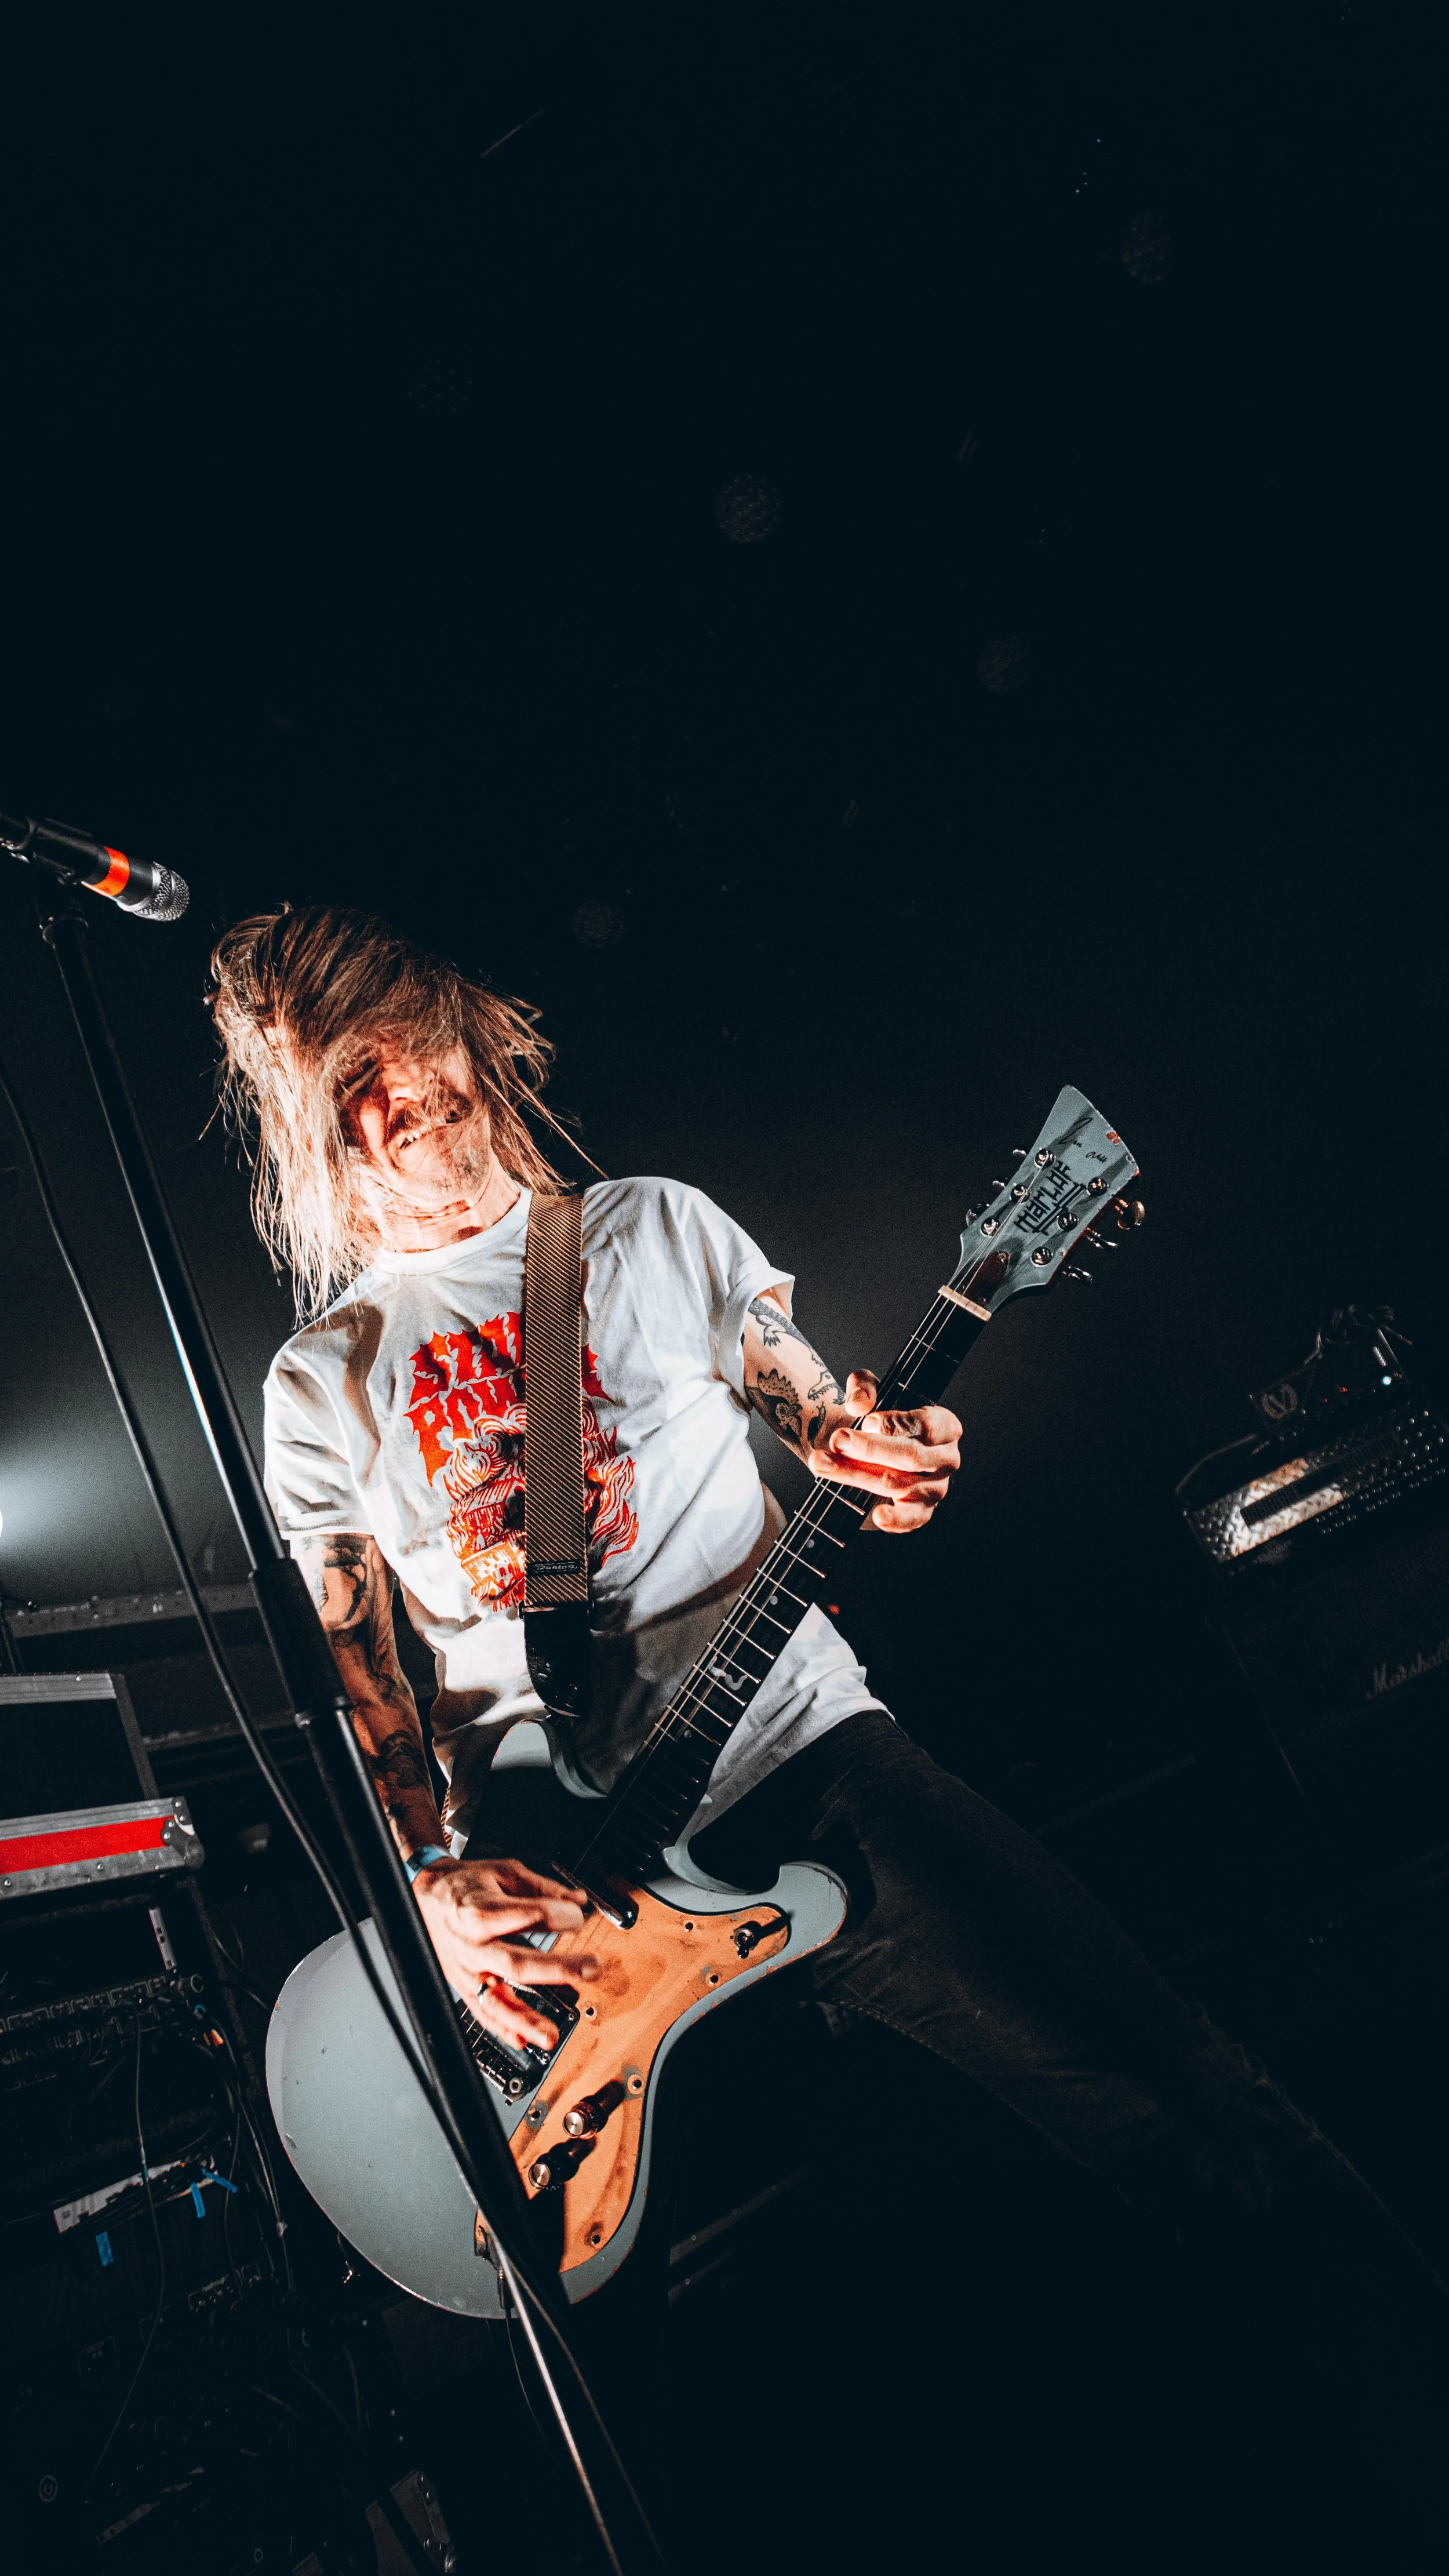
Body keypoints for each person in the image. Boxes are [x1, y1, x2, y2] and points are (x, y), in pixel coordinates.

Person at [210, 902, 1445, 2538]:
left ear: (472, 1034)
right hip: (561, 1904)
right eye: (352, 1086)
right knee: (579, 2388)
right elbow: (368, 1687)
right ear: (311, 1132)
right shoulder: (323, 1379)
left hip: (809, 1764)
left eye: (412, 1052)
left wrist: (888, 1447)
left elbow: (822, 1409)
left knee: (1187, 2104)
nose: (401, 1103)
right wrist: (429, 1886)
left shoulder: (649, 1230)